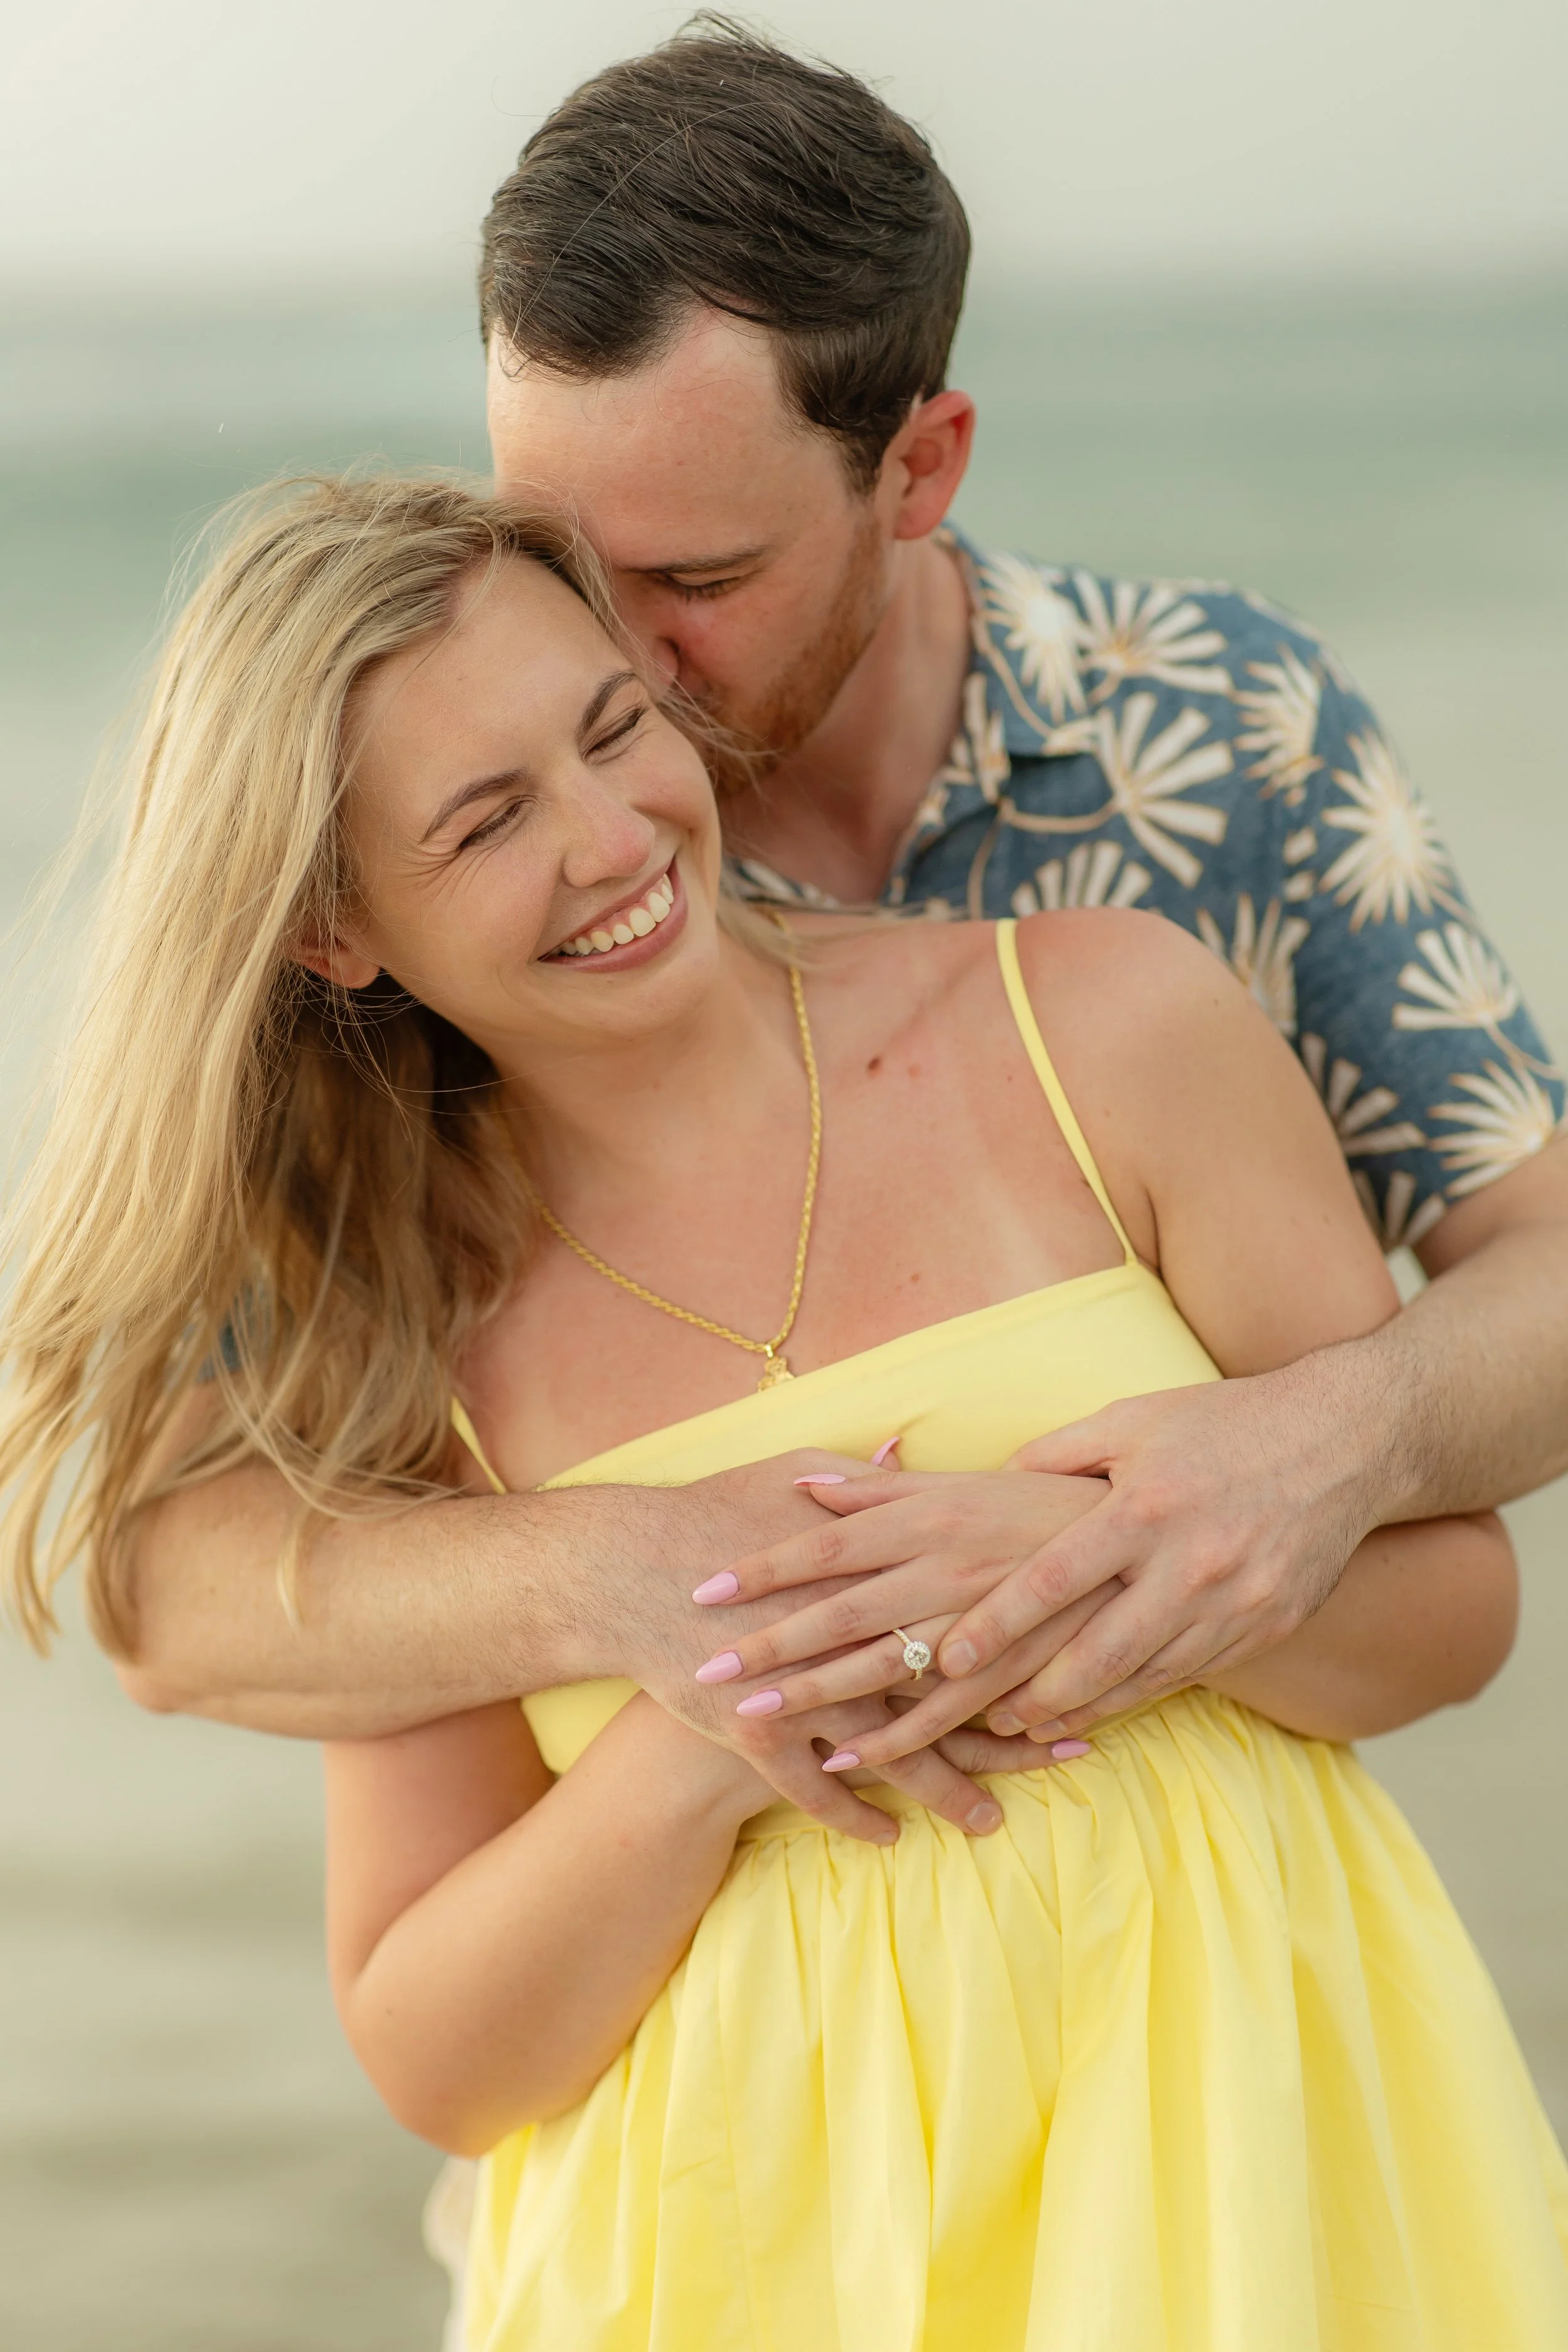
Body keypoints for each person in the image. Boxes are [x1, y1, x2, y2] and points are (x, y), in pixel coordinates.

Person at [5, 470, 1564, 2348]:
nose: (613, 839)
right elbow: (441, 2057)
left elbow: (1452, 1618)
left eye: (614, 729)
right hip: (732, 2248)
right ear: (335, 933)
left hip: (1245, 2170)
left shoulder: (1104, 1026)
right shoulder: (397, 1322)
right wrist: (713, 1728)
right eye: (488, 821)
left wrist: (1097, 1568)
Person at [110, 23, 1568, 1816]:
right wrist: (614, 1576)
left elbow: (1544, 1259)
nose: (613, 656)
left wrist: (1318, 1447)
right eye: (557, 549)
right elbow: (165, 1584)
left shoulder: (1220, 728)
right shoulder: (490, 884)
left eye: (697, 578)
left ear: (919, 469)